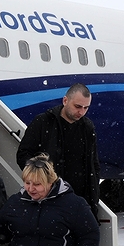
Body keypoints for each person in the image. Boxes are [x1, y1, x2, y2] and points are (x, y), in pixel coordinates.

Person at [16, 83, 100, 215]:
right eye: (78, 106)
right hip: (48, 198)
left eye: (86, 108)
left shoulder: (87, 127)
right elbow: (23, 155)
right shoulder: (43, 122)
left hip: (79, 201)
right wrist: (40, 180)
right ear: (65, 100)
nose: (81, 112)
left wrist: (93, 197)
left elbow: (94, 165)